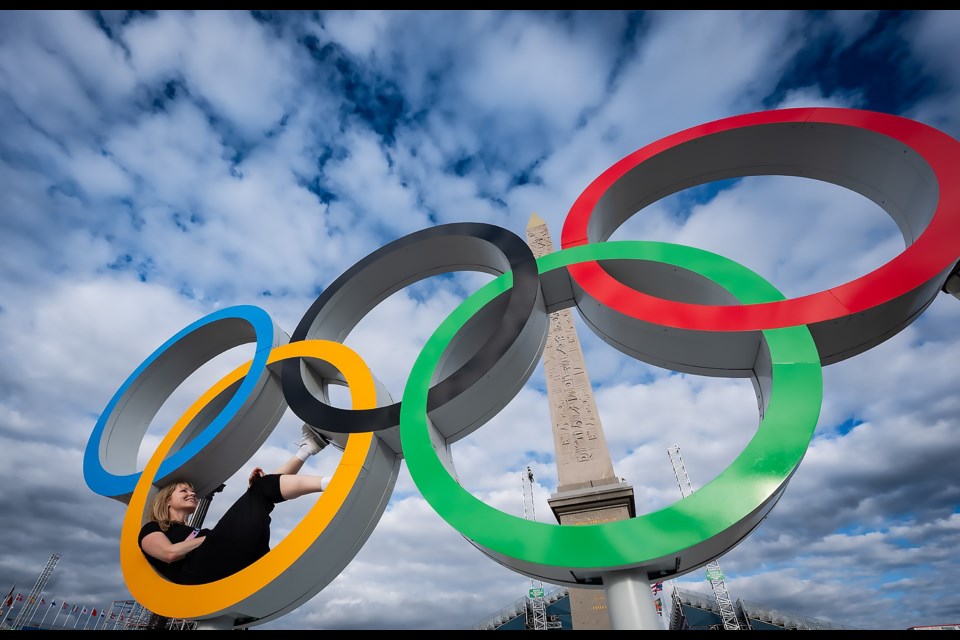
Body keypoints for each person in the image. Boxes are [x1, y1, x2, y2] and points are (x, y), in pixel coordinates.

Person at [138, 424, 331, 585]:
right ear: (167, 501)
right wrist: (213, 537)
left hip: (236, 565)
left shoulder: (196, 530)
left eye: (191, 491)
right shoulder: (152, 528)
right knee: (260, 490)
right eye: (184, 491)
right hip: (203, 574)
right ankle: (333, 480)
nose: (192, 494)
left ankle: (308, 449)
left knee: (261, 489)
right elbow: (169, 554)